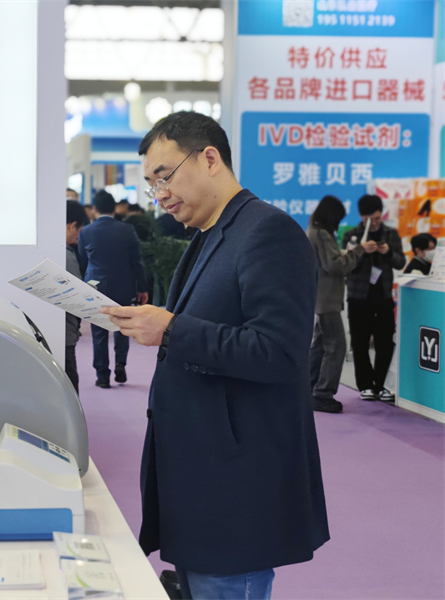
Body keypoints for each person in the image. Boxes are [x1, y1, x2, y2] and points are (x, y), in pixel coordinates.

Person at [99, 111, 329, 600]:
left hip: (236, 484)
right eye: (151, 184)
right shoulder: (211, 235)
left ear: (209, 159)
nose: (160, 194)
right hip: (200, 474)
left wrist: (172, 329)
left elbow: (279, 351)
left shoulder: (268, 232)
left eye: (165, 175)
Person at [307, 195, 374, 413]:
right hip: (328, 299)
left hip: (319, 297)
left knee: (320, 345)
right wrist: (358, 250)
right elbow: (335, 266)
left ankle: (309, 388)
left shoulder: (313, 231)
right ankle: (323, 394)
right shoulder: (322, 234)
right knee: (336, 346)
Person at [77, 190, 147, 388]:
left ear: (95, 209)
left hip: (96, 286)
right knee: (122, 326)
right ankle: (120, 364)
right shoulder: (127, 230)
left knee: (98, 332)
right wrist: (142, 287)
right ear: (115, 209)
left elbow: (82, 260)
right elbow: (137, 262)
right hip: (123, 285)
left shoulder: (86, 231)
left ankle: (102, 375)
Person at [340, 194, 405, 402]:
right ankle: (366, 385)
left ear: (381, 214)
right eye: (369, 219)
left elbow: (400, 262)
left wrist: (387, 252)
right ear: (361, 216)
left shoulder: (391, 234)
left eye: (377, 218)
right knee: (359, 343)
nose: (374, 222)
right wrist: (361, 250)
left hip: (384, 296)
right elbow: (345, 266)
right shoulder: (352, 235)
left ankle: (382, 384)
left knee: (385, 343)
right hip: (358, 297)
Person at [65, 200, 89, 393]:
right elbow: (75, 297)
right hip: (65, 332)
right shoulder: (65, 255)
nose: (78, 237)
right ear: (71, 226)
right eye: (78, 231)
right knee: (69, 387)